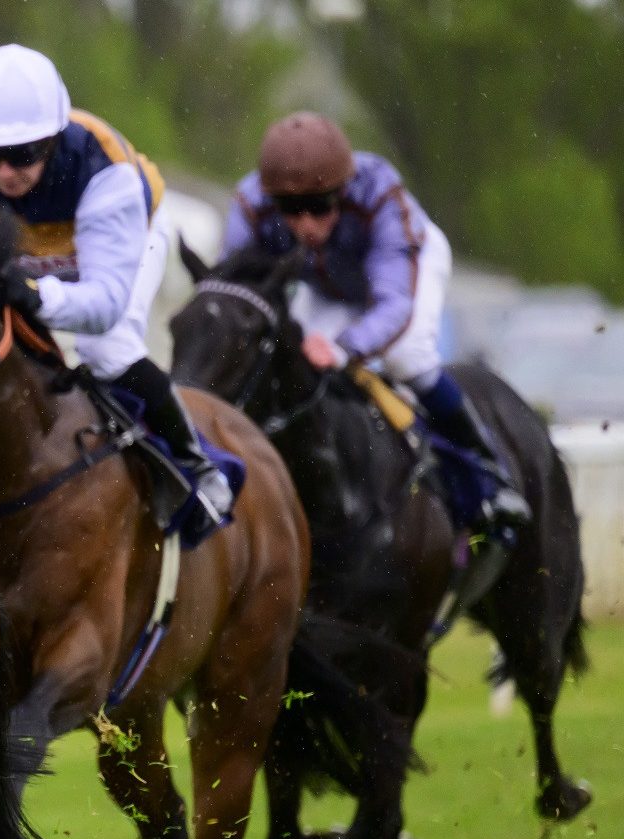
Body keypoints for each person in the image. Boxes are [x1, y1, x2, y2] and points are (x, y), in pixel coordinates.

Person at [0, 43, 234, 525]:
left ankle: (196, 464)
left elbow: (105, 303)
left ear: (53, 139)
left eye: (21, 155)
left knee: (105, 347)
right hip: (27, 247)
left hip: (121, 239)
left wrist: (37, 295)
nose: (4, 172)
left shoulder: (105, 170)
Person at [226, 112, 530, 530]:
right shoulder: (249, 203)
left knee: (406, 356)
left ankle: (490, 472)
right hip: (328, 286)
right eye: (290, 210)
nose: (306, 225)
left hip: (403, 270)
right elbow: (235, 294)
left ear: (343, 191)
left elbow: (393, 306)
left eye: (318, 207)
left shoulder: (379, 193)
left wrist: (343, 347)